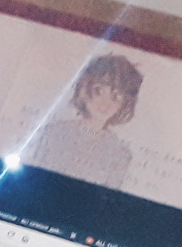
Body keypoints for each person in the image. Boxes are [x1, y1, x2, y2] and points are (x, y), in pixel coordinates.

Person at [25, 55, 144, 189]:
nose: (105, 103)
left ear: (125, 103)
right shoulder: (54, 133)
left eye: (116, 96)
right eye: (99, 91)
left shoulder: (120, 153)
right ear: (84, 88)